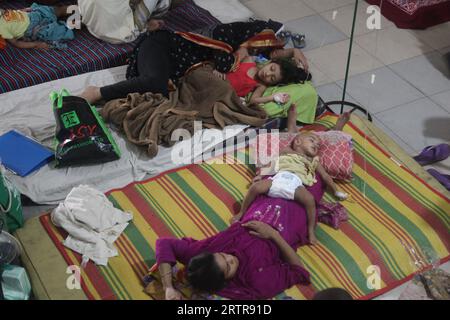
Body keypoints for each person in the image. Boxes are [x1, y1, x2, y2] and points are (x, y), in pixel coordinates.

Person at [156, 175, 326, 300]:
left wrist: (168, 288)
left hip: (265, 200)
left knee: (286, 159)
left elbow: (164, 243)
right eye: (229, 267)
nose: (231, 258)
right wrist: (273, 235)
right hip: (293, 216)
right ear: (225, 282)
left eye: (223, 256)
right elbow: (299, 271)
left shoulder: (202, 255)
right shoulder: (256, 279)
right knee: (315, 176)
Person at [79, 20, 310, 104]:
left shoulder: (242, 65)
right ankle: (97, 92)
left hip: (170, 63)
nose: (267, 72)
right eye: (270, 67)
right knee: (154, 80)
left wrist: (288, 54)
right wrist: (242, 50)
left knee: (158, 89)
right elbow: (226, 45)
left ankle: (103, 95)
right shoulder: (226, 41)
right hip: (161, 44)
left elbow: (254, 95)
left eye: (272, 75)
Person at [232, 105, 350, 245]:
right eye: (312, 141)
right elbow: (272, 162)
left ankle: (311, 231)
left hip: (296, 183)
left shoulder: (313, 160)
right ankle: (241, 212)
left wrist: (336, 190)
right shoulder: (287, 150)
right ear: (297, 142)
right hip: (278, 178)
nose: (316, 146)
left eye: (318, 146)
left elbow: (325, 176)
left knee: (310, 201)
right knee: (256, 188)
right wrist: (260, 174)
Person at [212, 46, 311, 105]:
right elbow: (231, 61)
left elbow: (253, 101)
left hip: (221, 93)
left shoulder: (261, 85)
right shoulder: (248, 60)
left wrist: (272, 97)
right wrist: (219, 69)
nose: (267, 74)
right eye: (271, 68)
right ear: (270, 62)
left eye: (272, 78)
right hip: (215, 79)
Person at [0, 3, 74, 50]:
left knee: (53, 10)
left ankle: (79, 8)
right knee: (57, 31)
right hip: (32, 28)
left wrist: (21, 11)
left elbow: (9, 12)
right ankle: (77, 21)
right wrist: (36, 44)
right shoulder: (2, 29)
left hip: (32, 15)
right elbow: (16, 43)